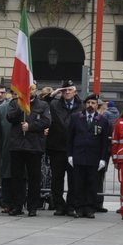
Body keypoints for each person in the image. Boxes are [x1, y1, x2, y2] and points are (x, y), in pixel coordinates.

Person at [4, 86, 49, 216]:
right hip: (17, 145)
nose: (29, 91)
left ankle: (32, 206)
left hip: (34, 146)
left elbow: (47, 121)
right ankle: (17, 205)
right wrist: (21, 105)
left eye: (32, 89)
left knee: (34, 178)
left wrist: (31, 127)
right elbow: (10, 117)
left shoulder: (43, 105)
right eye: (27, 89)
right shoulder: (14, 102)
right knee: (17, 178)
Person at [66, 96, 112, 218]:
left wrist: (103, 158)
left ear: (97, 105)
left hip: (94, 157)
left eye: (93, 103)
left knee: (92, 184)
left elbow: (104, 142)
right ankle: (79, 208)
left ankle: (90, 208)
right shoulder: (76, 118)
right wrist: (70, 155)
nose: (90, 105)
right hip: (78, 156)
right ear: (85, 104)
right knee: (78, 183)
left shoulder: (102, 120)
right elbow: (70, 138)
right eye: (88, 103)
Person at [46, 80, 79, 214]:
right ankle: (59, 205)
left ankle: (71, 206)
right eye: (64, 90)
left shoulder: (80, 105)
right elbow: (43, 103)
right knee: (57, 179)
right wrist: (54, 93)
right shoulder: (55, 104)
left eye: (70, 89)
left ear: (75, 92)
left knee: (73, 179)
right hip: (57, 147)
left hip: (74, 149)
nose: (67, 92)